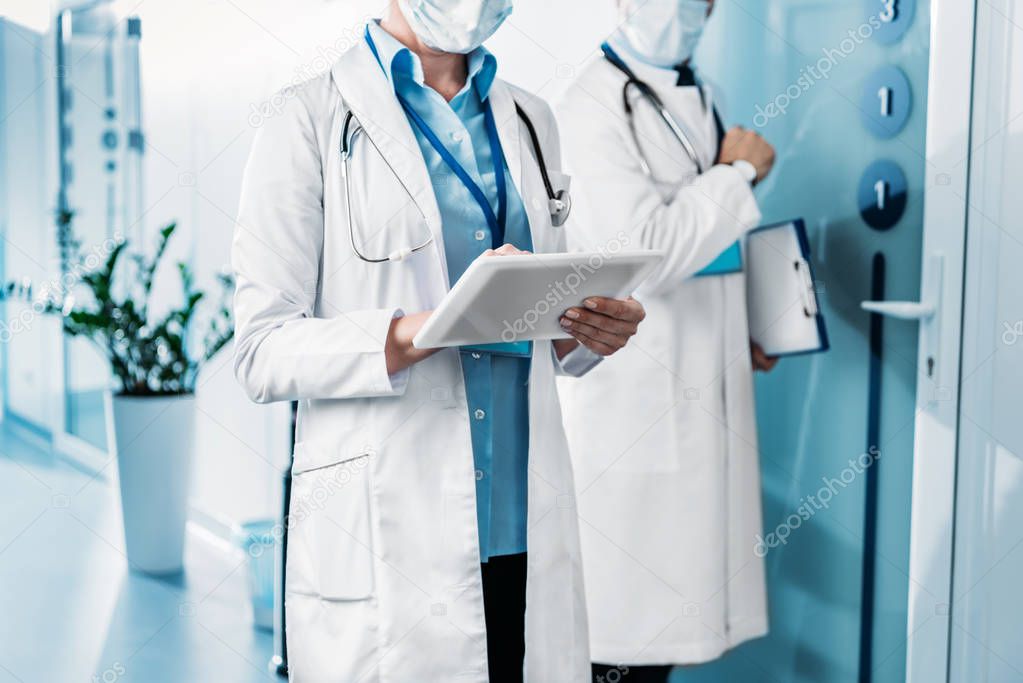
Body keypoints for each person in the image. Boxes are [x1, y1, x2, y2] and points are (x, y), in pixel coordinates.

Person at [232, 1, 647, 681]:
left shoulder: (530, 119)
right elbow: (261, 351)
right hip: (390, 539)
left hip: (521, 527)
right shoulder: (305, 118)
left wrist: (589, 333)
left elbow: (540, 321)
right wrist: (424, 330)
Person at [554, 1, 778, 681]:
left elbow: (702, 240)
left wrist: (738, 331)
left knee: (665, 640)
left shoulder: (697, 96)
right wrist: (736, 175)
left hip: (695, 382)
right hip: (630, 401)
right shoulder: (586, 102)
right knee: (614, 638)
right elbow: (645, 250)